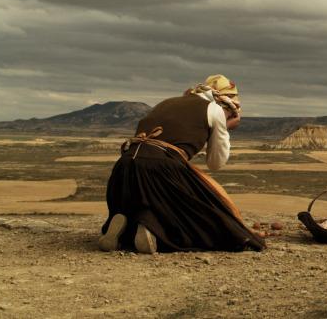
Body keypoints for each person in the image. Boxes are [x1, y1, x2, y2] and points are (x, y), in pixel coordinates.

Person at [97, 74, 265, 253]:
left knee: (142, 200)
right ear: (224, 103)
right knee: (200, 216)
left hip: (124, 167)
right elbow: (216, 163)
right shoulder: (214, 110)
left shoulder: (166, 102)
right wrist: (225, 127)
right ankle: (151, 229)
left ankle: (124, 226)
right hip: (162, 167)